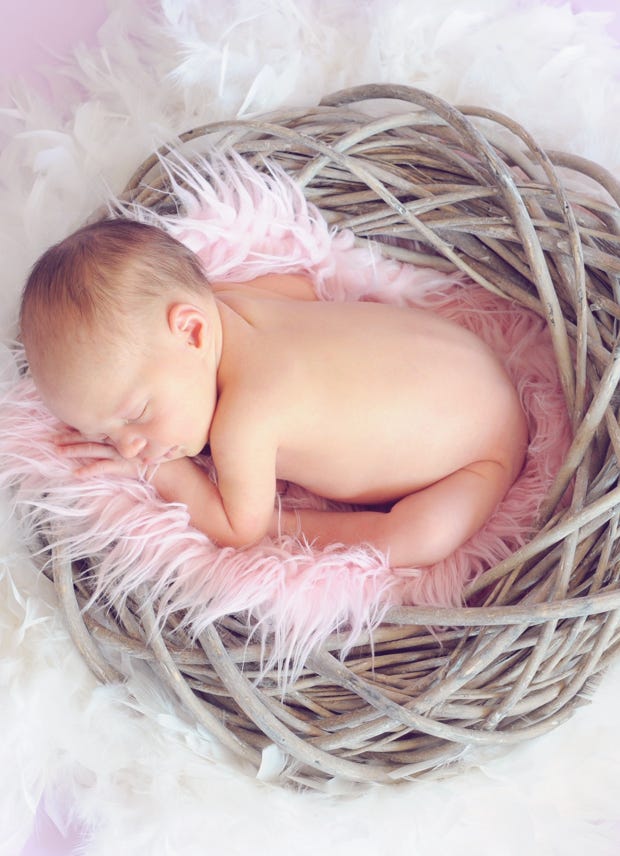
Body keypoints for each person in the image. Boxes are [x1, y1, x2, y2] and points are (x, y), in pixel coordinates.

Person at [20, 218, 528, 568]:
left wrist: (167, 472)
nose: (129, 446)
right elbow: (302, 290)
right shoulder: (231, 301)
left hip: (480, 456)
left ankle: (299, 523)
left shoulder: (245, 419)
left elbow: (239, 528)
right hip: (466, 354)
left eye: (136, 414)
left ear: (192, 332)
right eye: (102, 434)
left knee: (414, 539)